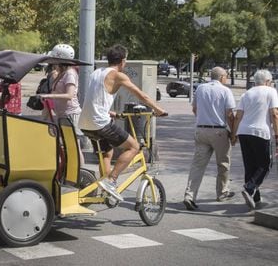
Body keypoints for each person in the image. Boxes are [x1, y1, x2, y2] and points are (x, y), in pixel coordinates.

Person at [79, 44, 167, 201]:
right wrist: (158, 109)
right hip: (100, 123)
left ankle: (106, 189)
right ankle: (111, 180)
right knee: (134, 147)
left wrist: (111, 112)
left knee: (107, 153)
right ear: (122, 61)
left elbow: (94, 99)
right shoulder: (117, 75)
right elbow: (141, 96)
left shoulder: (96, 73)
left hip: (86, 124)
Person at [183, 66, 236, 211]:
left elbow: (194, 109)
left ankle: (189, 195)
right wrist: (233, 133)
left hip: (201, 130)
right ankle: (222, 192)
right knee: (223, 164)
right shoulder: (225, 91)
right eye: (226, 75)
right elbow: (230, 114)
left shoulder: (200, 88)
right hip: (219, 131)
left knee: (197, 165)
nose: (226, 78)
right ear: (221, 77)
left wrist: (203, 120)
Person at [231, 70, 278, 210]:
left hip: (244, 132)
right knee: (265, 164)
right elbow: (274, 114)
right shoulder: (271, 92)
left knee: (250, 165)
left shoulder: (247, 93)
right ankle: (249, 188)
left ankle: (255, 198)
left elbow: (238, 115)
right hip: (261, 132)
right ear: (268, 81)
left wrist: (234, 135)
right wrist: (277, 136)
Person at [39, 44, 85, 164]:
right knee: (65, 146)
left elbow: (69, 95)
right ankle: (69, 171)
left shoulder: (70, 73)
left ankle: (81, 173)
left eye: (55, 59)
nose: (53, 62)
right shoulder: (61, 74)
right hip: (62, 115)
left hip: (71, 114)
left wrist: (49, 96)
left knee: (74, 147)